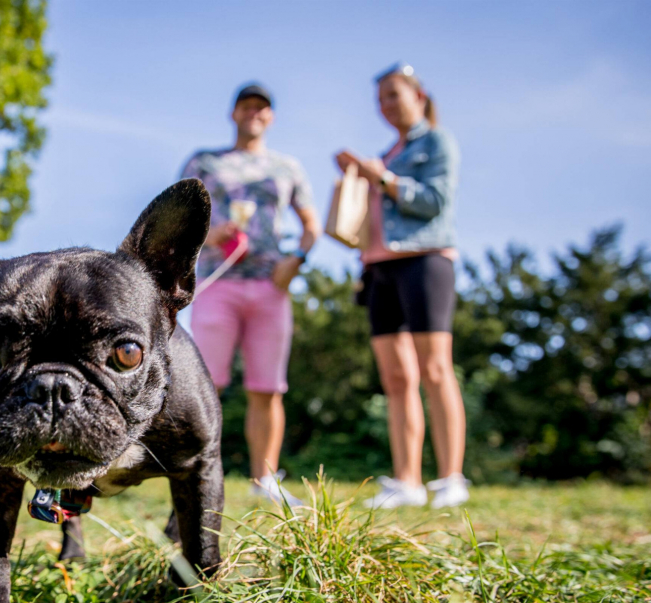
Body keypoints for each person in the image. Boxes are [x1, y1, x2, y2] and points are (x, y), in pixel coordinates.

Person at [334, 63, 468, 508]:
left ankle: (450, 477)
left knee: (434, 369)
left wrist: (383, 179)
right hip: (380, 271)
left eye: (394, 94)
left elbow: (434, 202)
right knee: (395, 377)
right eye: (380, 98)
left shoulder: (436, 142)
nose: (386, 105)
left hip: (425, 263)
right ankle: (407, 480)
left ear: (419, 95)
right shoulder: (388, 152)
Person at [182, 83, 321, 506]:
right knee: (206, 383)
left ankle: (266, 481)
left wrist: (296, 259)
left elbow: (312, 225)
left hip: (269, 286)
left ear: (271, 117)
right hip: (216, 281)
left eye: (262, 108)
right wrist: (208, 235)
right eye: (247, 106)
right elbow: (178, 219)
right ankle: (197, 474)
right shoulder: (205, 161)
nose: (254, 113)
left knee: (267, 387)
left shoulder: (287, 167)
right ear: (234, 113)